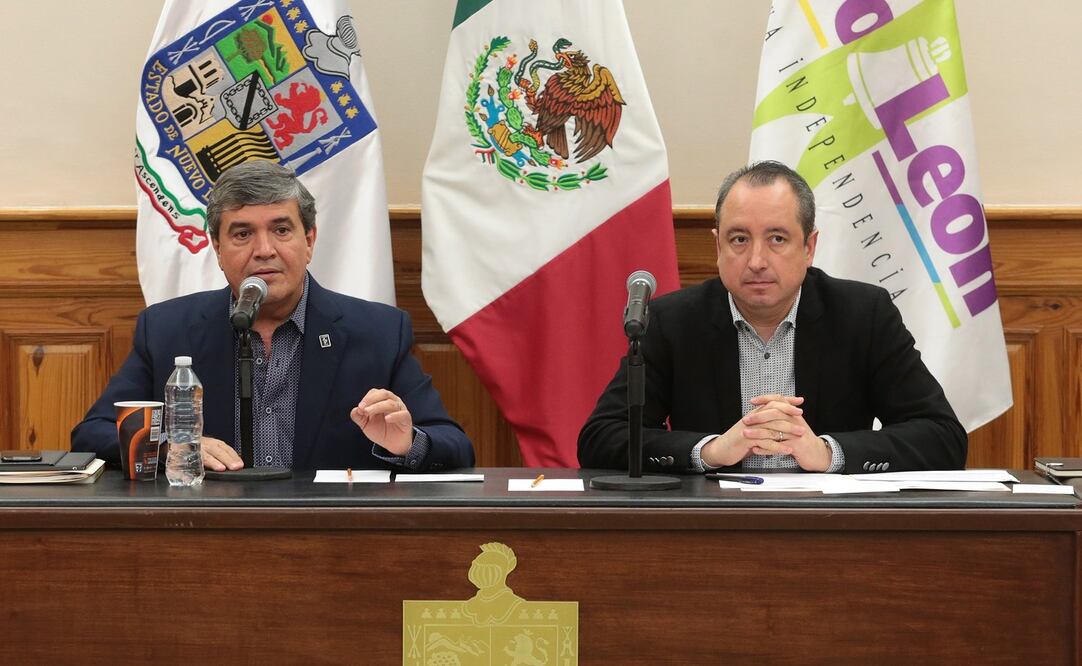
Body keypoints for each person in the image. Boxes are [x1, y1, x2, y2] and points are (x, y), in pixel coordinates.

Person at [72, 160, 473, 472]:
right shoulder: (166, 330)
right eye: (242, 234)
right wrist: (171, 448)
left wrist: (407, 443)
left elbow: (454, 445)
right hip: (206, 539)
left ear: (309, 240)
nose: (264, 250)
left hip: (333, 543)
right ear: (217, 247)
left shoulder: (379, 331)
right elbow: (92, 435)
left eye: (281, 230)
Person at [578, 161, 966, 473]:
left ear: (809, 247)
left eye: (777, 239)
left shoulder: (862, 315)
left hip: (831, 531)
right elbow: (601, 438)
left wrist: (829, 453)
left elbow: (943, 437)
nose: (757, 261)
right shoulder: (673, 321)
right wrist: (710, 450)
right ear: (717, 246)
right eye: (739, 239)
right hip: (713, 531)